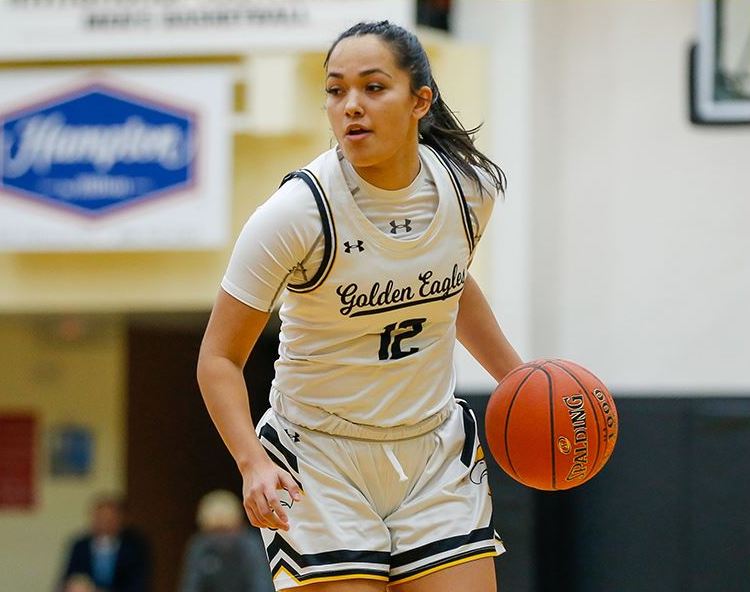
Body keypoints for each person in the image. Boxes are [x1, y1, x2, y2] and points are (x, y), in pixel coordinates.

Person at [197, 20, 522, 592]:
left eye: (373, 87)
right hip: (320, 458)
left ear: (420, 100)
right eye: (335, 90)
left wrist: (519, 382)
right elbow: (218, 359)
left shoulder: (469, 191)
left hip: (433, 451)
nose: (350, 105)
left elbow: (448, 283)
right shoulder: (295, 214)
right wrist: (251, 463)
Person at [179, 489, 274, 592]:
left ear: (239, 526)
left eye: (225, 531)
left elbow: (262, 586)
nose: (220, 538)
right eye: (214, 532)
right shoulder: (200, 546)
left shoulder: (251, 545)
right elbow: (190, 586)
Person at [59, 494, 151, 592]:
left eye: (109, 518)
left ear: (120, 519)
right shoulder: (80, 546)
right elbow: (69, 578)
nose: (104, 523)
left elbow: (138, 585)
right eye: (100, 518)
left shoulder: (135, 547)